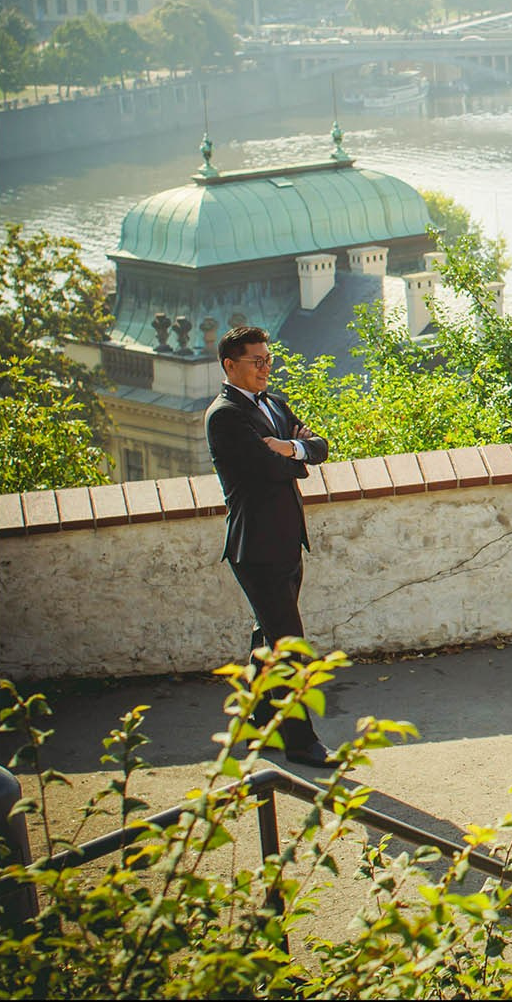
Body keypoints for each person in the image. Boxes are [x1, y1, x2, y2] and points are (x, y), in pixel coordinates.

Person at [205, 325, 338, 770]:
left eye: (268, 360)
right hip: (255, 547)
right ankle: (300, 741)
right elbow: (268, 470)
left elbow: (320, 447)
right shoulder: (225, 416)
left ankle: (258, 729)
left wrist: (291, 447)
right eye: (256, 361)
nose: (266, 368)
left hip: (286, 540)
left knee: (269, 638)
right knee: (288, 644)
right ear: (230, 365)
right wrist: (294, 458)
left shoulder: (275, 405)